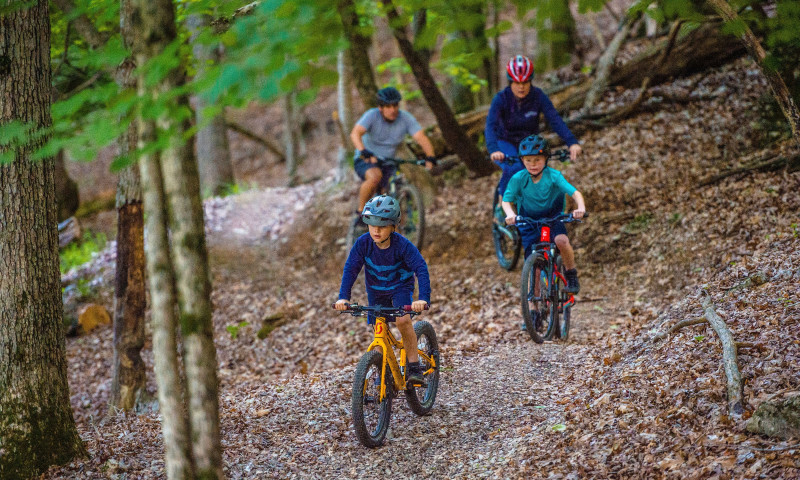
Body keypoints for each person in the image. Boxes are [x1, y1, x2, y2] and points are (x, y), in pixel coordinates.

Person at [335, 194, 432, 387]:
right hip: (376, 292)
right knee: (379, 331)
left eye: (383, 225)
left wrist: (423, 298)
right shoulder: (363, 243)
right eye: (372, 225)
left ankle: (414, 367)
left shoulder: (402, 245)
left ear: (393, 226)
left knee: (403, 320)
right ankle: (382, 370)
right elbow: (351, 269)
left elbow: (421, 268)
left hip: (400, 288)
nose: (376, 230)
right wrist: (343, 297)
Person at [485, 55, 582, 220]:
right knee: (515, 167)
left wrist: (571, 142)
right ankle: (503, 205)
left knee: (540, 173)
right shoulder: (501, 99)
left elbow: (555, 120)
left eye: (525, 83)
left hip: (529, 143)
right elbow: (490, 126)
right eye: (517, 83)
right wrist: (494, 149)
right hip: (505, 141)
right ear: (510, 83)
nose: (521, 87)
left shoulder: (538, 96)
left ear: (531, 81)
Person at [501, 135, 585, 295]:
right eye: (528, 160)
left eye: (537, 160)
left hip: (553, 217)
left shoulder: (554, 176)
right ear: (522, 160)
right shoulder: (518, 178)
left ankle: (571, 273)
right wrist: (510, 214)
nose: (533, 165)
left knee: (561, 240)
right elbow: (506, 200)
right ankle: (533, 310)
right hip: (528, 220)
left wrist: (580, 208)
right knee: (533, 266)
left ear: (545, 159)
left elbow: (575, 193)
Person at [350, 87, 436, 215]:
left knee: (391, 191)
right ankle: (360, 212)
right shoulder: (372, 115)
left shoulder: (405, 118)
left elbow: (420, 137)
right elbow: (355, 133)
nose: (393, 110)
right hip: (367, 159)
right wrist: (363, 151)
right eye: (388, 106)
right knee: (375, 177)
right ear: (381, 108)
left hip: (388, 161)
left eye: (395, 105)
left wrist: (430, 156)